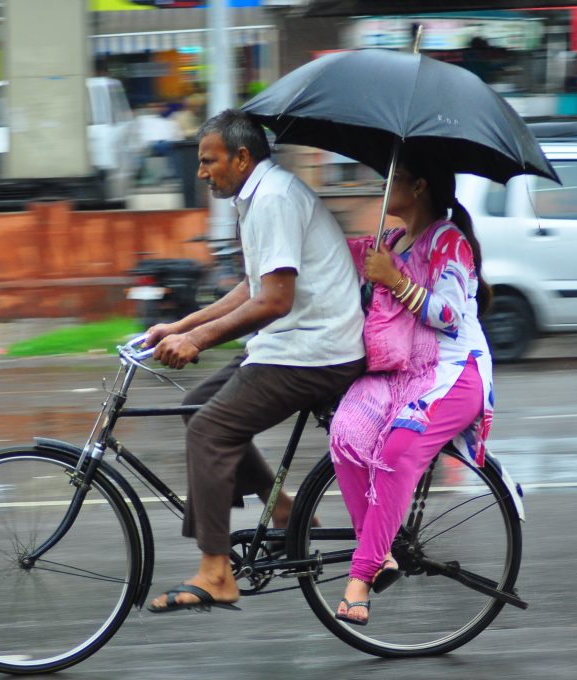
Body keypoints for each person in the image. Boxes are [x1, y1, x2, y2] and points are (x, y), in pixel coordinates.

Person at [143, 108, 366, 613]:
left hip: (315, 350)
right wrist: (180, 326)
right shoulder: (259, 195)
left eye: (208, 161)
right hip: (293, 343)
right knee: (196, 406)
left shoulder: (274, 198)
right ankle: (287, 512)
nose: (201, 172)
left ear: (242, 157)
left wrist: (198, 342)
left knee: (208, 431)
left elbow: (273, 301)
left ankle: (216, 572)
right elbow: (254, 286)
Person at [328, 147, 494, 625]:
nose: (384, 185)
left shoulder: (451, 243)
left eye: (393, 177)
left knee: (397, 452)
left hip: (452, 372)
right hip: (400, 370)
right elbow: (343, 258)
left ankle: (361, 578)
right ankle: (380, 553)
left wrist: (395, 279)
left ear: (419, 186)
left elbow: (448, 315)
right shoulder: (393, 238)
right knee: (346, 435)